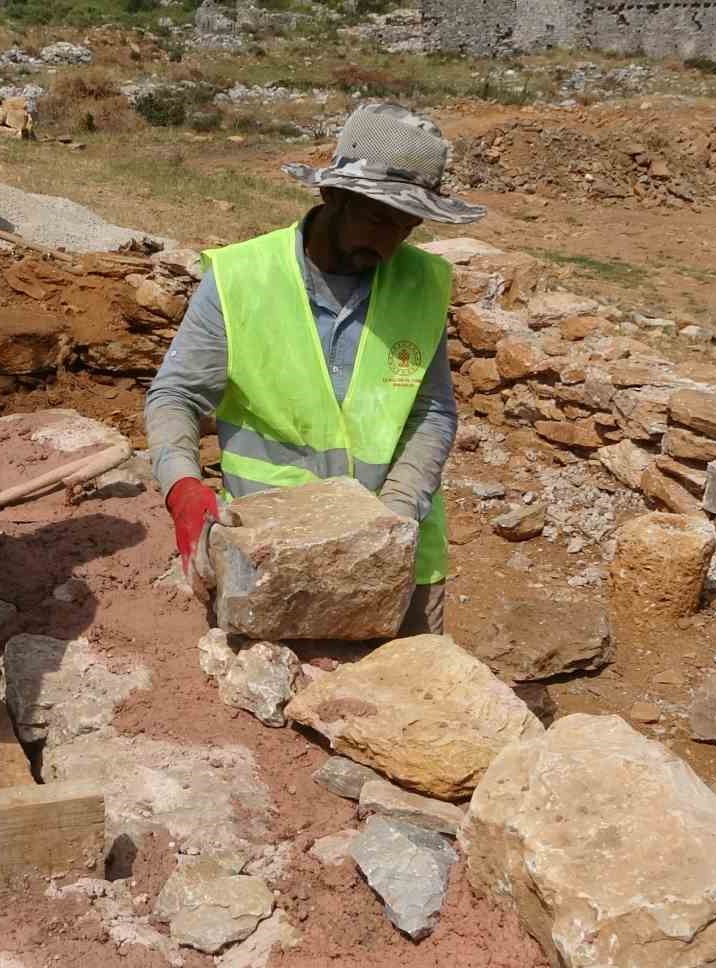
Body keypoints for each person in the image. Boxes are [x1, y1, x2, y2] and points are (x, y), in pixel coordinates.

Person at [145, 103, 482, 636]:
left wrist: (394, 516)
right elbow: (177, 396)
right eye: (376, 218)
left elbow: (431, 411)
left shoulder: (424, 281)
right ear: (331, 195)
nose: (390, 243)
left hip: (400, 552)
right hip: (272, 549)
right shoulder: (242, 278)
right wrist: (183, 486)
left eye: (406, 225)